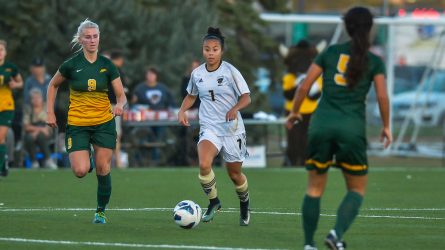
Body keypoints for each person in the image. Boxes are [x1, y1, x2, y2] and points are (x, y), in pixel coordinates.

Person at [286, 7, 392, 250]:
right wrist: (386, 126)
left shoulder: (331, 53)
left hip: (320, 125)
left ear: (346, 27)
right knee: (356, 189)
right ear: (369, 29)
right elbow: (383, 98)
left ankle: (309, 245)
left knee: (314, 188)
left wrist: (294, 112)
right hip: (351, 129)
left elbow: (304, 87)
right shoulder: (374, 61)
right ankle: (335, 235)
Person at [46, 19, 127, 224]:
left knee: (103, 168)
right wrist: (50, 112)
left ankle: (100, 211)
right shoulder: (71, 64)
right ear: (80, 39)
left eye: (95, 36)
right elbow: (53, 85)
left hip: (103, 123)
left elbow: (121, 94)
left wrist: (119, 104)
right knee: (80, 171)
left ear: (99, 38)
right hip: (77, 124)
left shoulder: (107, 65)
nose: (92, 40)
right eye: (88, 37)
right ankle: (86, 158)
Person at [178, 27, 252, 226]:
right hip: (209, 126)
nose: (210, 53)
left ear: (221, 51)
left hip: (232, 129)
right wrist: (182, 110)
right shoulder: (197, 73)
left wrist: (235, 108)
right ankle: (214, 202)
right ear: (202, 50)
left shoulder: (230, 71)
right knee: (203, 164)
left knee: (234, 174)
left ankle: (244, 204)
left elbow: (246, 97)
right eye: (207, 49)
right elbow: (192, 95)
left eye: (215, 49)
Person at [282, 40, 322, 166]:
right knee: (293, 139)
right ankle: (292, 162)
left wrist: (308, 85)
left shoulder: (318, 78)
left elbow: (315, 95)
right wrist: (298, 85)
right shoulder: (289, 77)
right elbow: (288, 95)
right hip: (292, 111)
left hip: (310, 111)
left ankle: (308, 161)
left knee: (308, 138)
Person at [132, 67, 175, 164]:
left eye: (152, 74)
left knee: (159, 138)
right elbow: (134, 103)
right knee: (144, 137)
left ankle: (156, 160)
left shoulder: (163, 88)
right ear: (146, 75)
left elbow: (171, 102)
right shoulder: (140, 88)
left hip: (161, 119)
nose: (150, 76)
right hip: (144, 120)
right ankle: (141, 159)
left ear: (156, 76)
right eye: (149, 74)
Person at [0, 39, 23, 177]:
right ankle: (4, 164)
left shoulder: (10, 68)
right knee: (1, 140)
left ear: (5, 52)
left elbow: (20, 82)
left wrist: (15, 85)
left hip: (7, 107)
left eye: (1, 50)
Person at [23, 88, 57, 169]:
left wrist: (38, 131)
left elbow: (50, 123)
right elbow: (26, 126)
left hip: (47, 132)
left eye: (38, 97)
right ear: (31, 100)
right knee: (29, 138)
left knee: (41, 136)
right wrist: (39, 130)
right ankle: (34, 162)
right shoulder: (28, 110)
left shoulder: (47, 108)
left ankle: (48, 160)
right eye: (33, 98)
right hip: (32, 133)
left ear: (42, 98)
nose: (36, 100)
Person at [108, 50, 128, 168]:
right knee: (115, 135)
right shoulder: (117, 71)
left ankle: (107, 162)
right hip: (114, 106)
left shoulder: (104, 69)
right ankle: (117, 162)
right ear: (120, 60)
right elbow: (121, 91)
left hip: (101, 106)